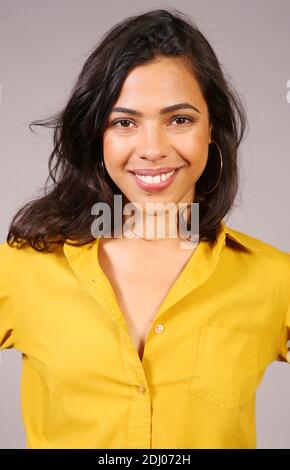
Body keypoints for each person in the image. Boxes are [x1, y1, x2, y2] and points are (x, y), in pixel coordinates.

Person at [0, 7, 289, 450]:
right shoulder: (22, 268)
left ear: (212, 128)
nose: (152, 149)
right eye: (124, 122)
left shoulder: (275, 279)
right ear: (97, 134)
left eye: (179, 119)